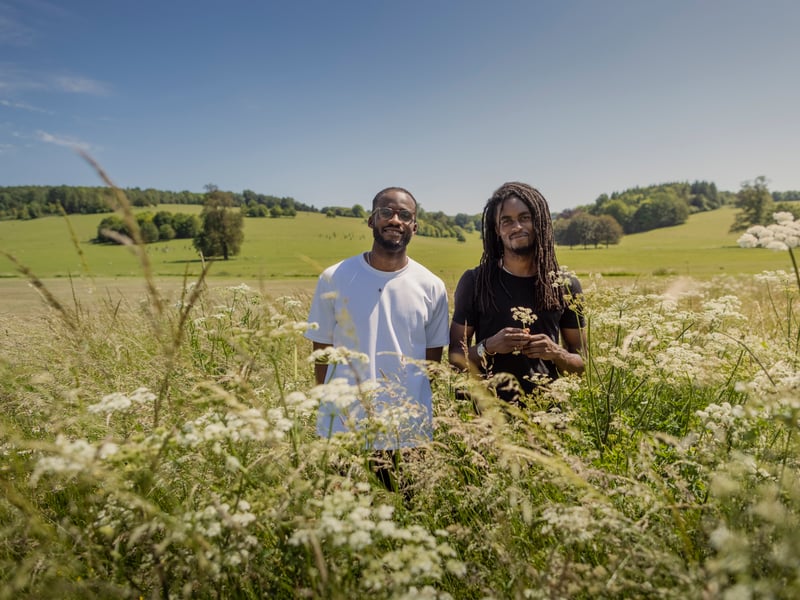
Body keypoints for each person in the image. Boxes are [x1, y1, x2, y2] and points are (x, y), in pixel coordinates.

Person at [305, 186, 450, 480]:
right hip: (344, 427)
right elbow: (321, 354)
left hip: (408, 432)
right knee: (343, 507)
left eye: (405, 215)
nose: (395, 220)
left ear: (414, 226)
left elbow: (430, 365)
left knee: (406, 506)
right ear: (371, 220)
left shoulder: (432, 286)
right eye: (386, 212)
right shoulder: (334, 277)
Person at [448, 181, 586, 404]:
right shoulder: (475, 281)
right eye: (507, 221)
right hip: (489, 415)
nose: (517, 227)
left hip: (548, 415)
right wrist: (488, 347)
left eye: (525, 217)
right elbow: (455, 359)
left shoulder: (565, 284)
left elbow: (582, 366)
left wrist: (556, 352)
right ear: (497, 230)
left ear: (539, 222)